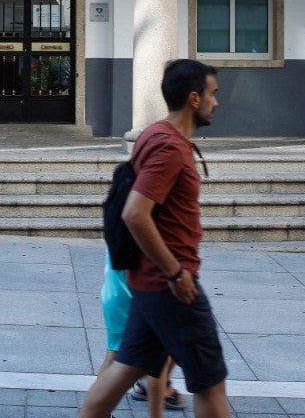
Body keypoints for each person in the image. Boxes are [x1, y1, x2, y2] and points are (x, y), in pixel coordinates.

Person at [78, 59, 230, 418]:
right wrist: (176, 273)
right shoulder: (169, 148)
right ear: (194, 98)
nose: (216, 102)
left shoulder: (154, 133)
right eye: (213, 94)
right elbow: (135, 213)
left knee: (122, 370)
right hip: (171, 288)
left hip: (149, 285)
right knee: (210, 381)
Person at [98, 249, 185, 415]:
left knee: (172, 342)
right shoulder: (133, 224)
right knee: (116, 357)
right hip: (126, 295)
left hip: (124, 291)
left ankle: (148, 385)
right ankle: (97, 413)